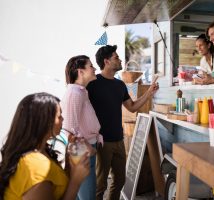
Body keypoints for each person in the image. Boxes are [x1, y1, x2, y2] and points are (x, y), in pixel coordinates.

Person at [87, 45, 159, 200]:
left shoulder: (119, 85)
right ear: (106, 61)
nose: (120, 60)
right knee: (100, 185)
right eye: (116, 57)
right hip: (101, 142)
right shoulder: (92, 84)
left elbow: (132, 107)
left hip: (119, 140)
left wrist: (149, 93)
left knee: (119, 181)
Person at [0, 92, 90, 200]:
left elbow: (57, 191)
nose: (63, 120)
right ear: (44, 121)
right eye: (59, 116)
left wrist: (70, 166)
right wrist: (76, 181)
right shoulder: (35, 165)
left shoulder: (41, 152)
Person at [60, 55, 104, 200]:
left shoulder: (81, 91)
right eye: (91, 66)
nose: (95, 69)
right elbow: (69, 130)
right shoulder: (75, 93)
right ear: (81, 72)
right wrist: (88, 148)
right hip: (83, 153)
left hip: (86, 150)